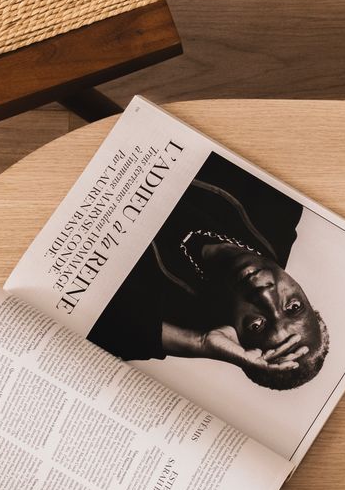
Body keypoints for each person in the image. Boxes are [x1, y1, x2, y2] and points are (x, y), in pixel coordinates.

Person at [88, 154, 329, 390]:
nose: (265, 296)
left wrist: (199, 342)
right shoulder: (279, 207)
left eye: (256, 325)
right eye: (294, 307)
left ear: (236, 338)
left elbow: (85, 323)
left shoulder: (171, 317)